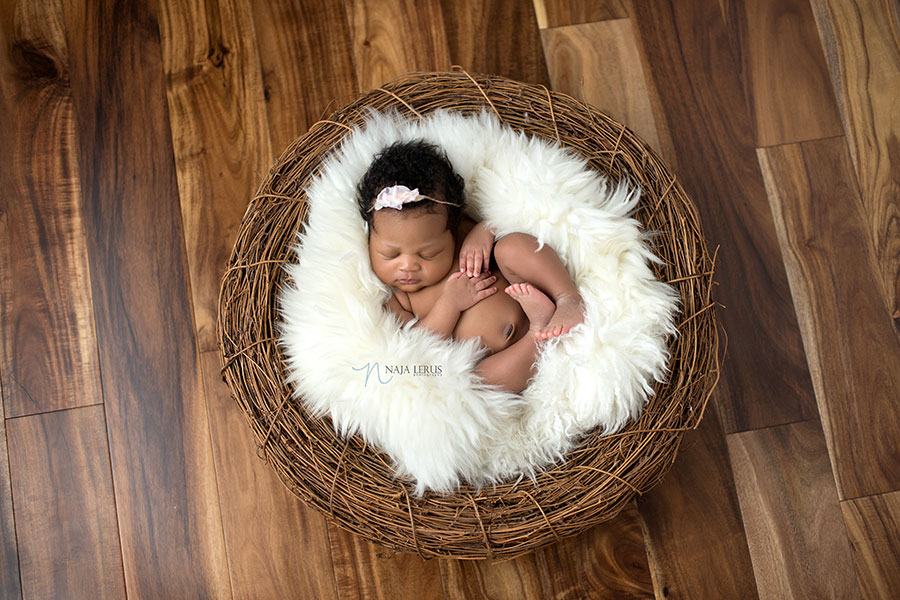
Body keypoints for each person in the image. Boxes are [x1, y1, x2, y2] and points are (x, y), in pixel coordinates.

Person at [357, 140, 584, 393]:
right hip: (510, 357)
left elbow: (512, 215)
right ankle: (538, 334)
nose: (408, 265)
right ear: (369, 240)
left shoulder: (462, 236)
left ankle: (567, 298)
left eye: (428, 253)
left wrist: (484, 230)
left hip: (527, 287)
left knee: (510, 247)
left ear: (451, 232)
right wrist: (450, 303)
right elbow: (418, 344)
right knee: (476, 382)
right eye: (390, 254)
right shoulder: (397, 300)